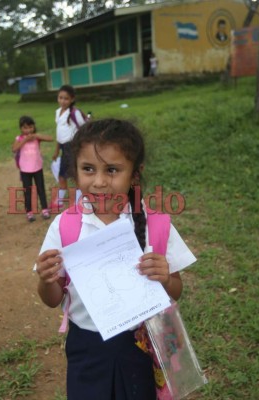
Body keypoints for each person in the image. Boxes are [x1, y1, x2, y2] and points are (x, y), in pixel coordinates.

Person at [35, 119, 197, 399]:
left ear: (135, 174)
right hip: (86, 345)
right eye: (88, 169)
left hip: (142, 345)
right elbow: (51, 299)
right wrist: (47, 278)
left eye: (112, 170)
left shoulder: (157, 224)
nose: (98, 182)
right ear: (75, 171)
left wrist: (165, 277)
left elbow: (176, 290)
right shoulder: (65, 226)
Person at [12, 116, 54, 222]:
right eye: (25, 128)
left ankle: (45, 209)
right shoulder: (19, 138)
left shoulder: (37, 138)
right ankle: (29, 212)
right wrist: (25, 140)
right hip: (25, 170)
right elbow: (14, 149)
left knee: (41, 189)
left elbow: (51, 139)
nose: (28, 130)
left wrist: (36, 135)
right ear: (21, 129)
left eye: (30, 127)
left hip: (37, 168)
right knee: (28, 191)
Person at [51, 85, 86, 210]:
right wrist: (56, 150)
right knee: (62, 175)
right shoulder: (57, 112)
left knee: (75, 175)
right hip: (63, 148)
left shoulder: (74, 113)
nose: (62, 101)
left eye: (66, 98)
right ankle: (60, 200)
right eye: (60, 98)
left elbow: (84, 128)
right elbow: (59, 134)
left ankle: (79, 201)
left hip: (72, 147)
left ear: (72, 99)